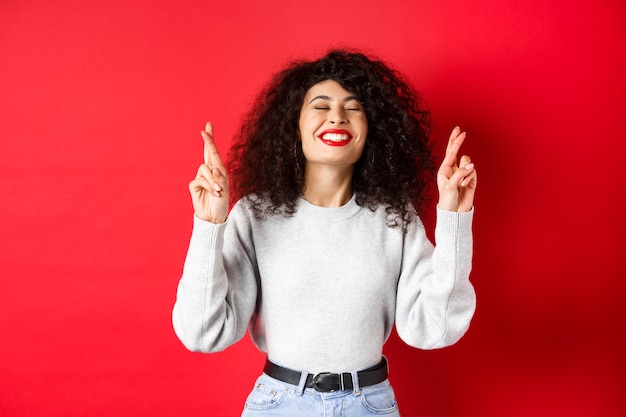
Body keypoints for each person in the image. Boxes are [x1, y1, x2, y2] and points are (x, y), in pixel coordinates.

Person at [172, 50, 477, 416]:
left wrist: (454, 220)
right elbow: (203, 333)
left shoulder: (395, 219)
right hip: (279, 405)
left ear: (371, 130)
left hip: (370, 405)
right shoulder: (254, 215)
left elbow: (434, 329)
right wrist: (208, 227)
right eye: (321, 106)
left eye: (353, 107)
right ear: (294, 127)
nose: (337, 116)